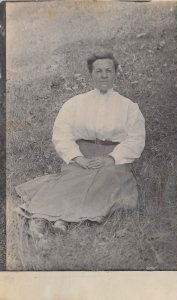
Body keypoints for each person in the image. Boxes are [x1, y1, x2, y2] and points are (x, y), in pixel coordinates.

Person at [15, 51, 145, 238]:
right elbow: (62, 134)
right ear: (91, 74)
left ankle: (61, 220)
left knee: (107, 181)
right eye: (98, 71)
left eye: (108, 70)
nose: (103, 75)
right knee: (75, 177)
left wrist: (111, 158)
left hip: (115, 158)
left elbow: (136, 139)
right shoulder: (74, 104)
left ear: (116, 73)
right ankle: (44, 218)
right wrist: (78, 158)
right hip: (83, 154)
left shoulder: (129, 107)